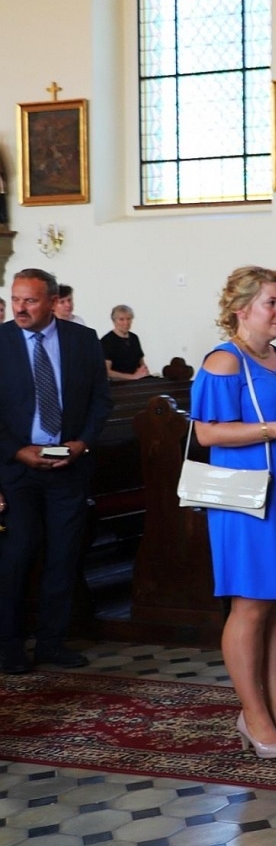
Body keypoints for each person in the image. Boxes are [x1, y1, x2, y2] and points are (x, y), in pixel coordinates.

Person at [191, 267, 276, 759]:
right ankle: (252, 713)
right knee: (250, 605)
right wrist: (273, 431)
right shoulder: (224, 361)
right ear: (242, 309)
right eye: (272, 302)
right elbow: (207, 434)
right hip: (249, 499)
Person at [0, 268, 111, 674]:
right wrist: (17, 451)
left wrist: (82, 443)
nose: (21, 308)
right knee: (16, 556)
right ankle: (9, 644)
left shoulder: (81, 340)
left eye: (29, 301)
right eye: (15, 300)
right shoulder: (2, 341)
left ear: (51, 301)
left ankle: (51, 642)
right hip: (17, 469)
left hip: (69, 465)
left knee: (63, 557)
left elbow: (101, 399)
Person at [101, 304, 150, 381]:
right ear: (114, 321)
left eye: (128, 319)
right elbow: (106, 371)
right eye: (121, 319)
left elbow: (142, 364)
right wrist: (132, 377)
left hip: (137, 384)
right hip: (118, 386)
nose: (126, 323)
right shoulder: (107, 341)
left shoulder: (134, 338)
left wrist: (144, 373)